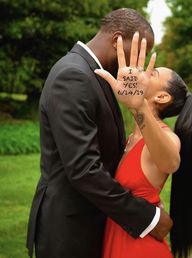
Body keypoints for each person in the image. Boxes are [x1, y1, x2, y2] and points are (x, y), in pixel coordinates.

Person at [26, 8, 173, 258]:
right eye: (139, 51)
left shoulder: (94, 75)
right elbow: (84, 169)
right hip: (70, 233)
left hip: (90, 225)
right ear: (117, 40)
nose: (139, 63)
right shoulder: (73, 76)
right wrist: (147, 216)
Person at [95, 32, 192, 258]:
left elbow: (171, 162)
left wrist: (139, 107)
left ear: (162, 98)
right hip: (120, 239)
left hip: (139, 249)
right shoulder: (130, 138)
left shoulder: (168, 138)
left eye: (152, 73)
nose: (143, 73)